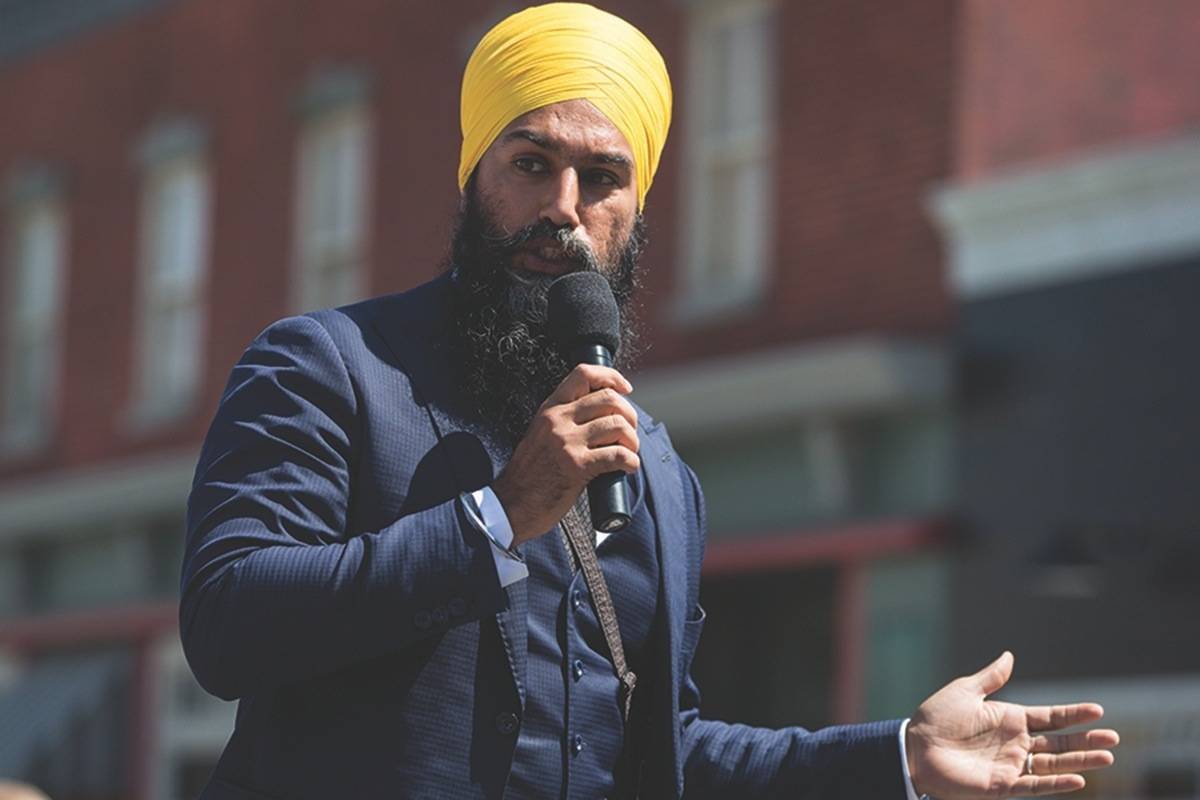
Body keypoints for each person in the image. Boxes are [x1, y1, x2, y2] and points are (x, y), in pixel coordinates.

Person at [181, 3, 1118, 798]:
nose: (564, 206)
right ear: (472, 176)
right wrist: (499, 518)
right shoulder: (327, 367)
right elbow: (227, 626)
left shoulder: (657, 471)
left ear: (635, 209)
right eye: (530, 163)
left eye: (602, 178)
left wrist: (896, 762)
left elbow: (664, 754)